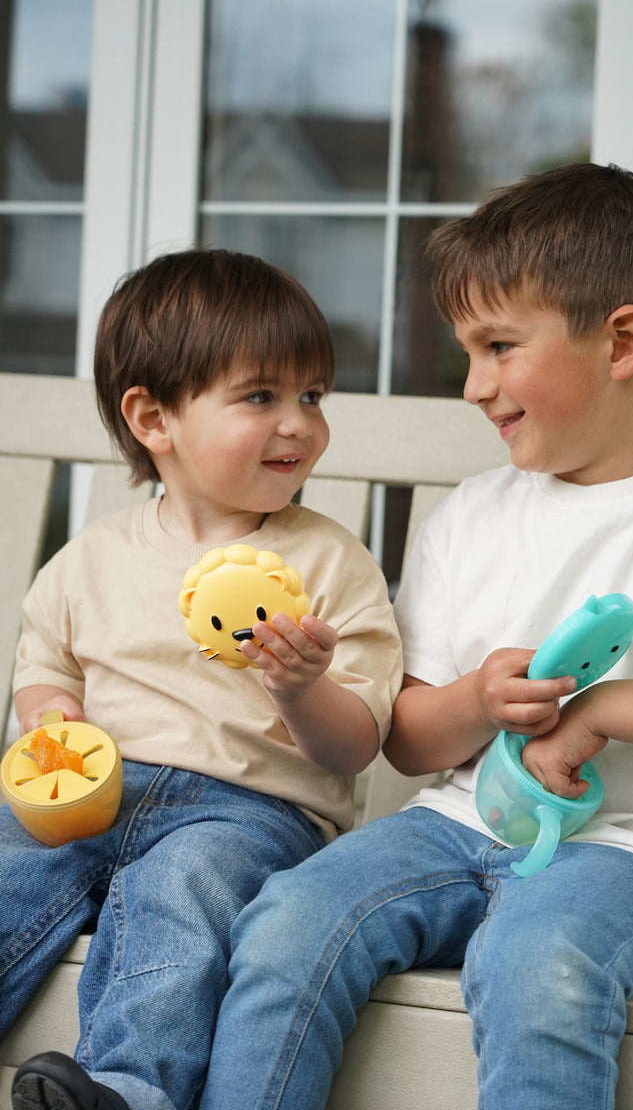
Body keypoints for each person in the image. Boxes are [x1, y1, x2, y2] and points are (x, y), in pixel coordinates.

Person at [196, 164, 633, 1110]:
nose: (474, 384)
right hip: (452, 822)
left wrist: (602, 710)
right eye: (466, 352)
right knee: (288, 918)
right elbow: (408, 737)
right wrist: (477, 700)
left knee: (537, 957)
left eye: (500, 346)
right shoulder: (468, 516)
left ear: (623, 341)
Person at [2, 248, 403, 1110]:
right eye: (262, 396)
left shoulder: (329, 563)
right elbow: (43, 665)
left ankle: (123, 1090)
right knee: (6, 863)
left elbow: (357, 743)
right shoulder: (93, 558)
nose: (299, 422)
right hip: (94, 787)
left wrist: (301, 687)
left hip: (248, 810)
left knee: (179, 902)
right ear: (153, 417)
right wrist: (51, 714)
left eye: (312, 396)